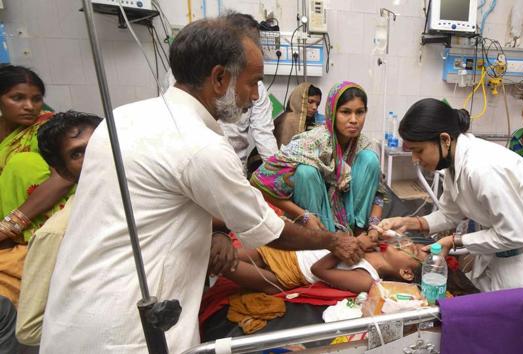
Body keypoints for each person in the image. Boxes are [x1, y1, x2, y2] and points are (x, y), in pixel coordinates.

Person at [40, 16, 363, 354]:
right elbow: (272, 233)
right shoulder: (200, 146)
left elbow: (156, 207)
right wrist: (332, 240)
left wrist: (217, 233)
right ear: (219, 78)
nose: (255, 97)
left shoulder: (122, 118)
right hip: (127, 330)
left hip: (75, 312)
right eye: (253, 83)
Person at [378, 98, 523, 328]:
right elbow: (449, 214)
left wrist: (454, 241)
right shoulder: (454, 163)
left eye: (418, 151)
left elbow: (515, 235)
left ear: (444, 139)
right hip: (511, 255)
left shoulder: (483, 169)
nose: (415, 160)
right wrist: (408, 222)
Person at [15, 111, 102, 346]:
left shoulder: (140, 205)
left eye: (98, 143)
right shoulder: (57, 233)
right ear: (63, 172)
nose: (93, 155)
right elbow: (30, 328)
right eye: (77, 153)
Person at [251, 81, 384, 235]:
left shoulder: (363, 145)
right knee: (306, 171)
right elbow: (259, 181)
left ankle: (358, 232)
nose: (354, 120)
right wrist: (304, 216)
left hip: (351, 221)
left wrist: (374, 227)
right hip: (317, 224)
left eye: (360, 112)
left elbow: (378, 193)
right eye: (346, 112)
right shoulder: (313, 141)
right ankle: (325, 239)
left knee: (370, 159)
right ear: (332, 113)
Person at [0, 65, 74, 305]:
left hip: (37, 222)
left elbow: (64, 177)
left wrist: (12, 224)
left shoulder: (47, 128)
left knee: (25, 162)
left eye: (36, 99)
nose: (29, 106)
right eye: (17, 98)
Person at [225, 235, 424, 294]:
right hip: (285, 252)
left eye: (412, 251)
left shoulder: (367, 279)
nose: (407, 244)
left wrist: (350, 248)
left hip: (288, 274)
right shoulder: (372, 248)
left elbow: (318, 270)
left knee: (221, 263)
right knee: (224, 253)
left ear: (406, 273)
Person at [219, 12, 278, 167]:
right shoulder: (203, 82)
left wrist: (277, 174)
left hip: (236, 168)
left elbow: (264, 133)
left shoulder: (257, 88)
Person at [274, 82, 323, 148]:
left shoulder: (309, 121)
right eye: (310, 102)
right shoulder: (289, 120)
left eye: (317, 104)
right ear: (300, 100)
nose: (315, 107)